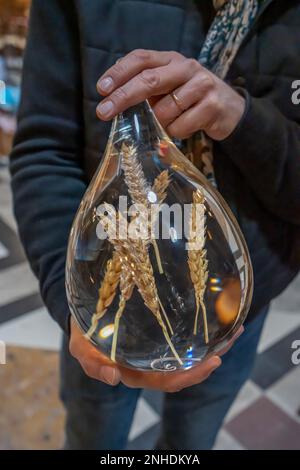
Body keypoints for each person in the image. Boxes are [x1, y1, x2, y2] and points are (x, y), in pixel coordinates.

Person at [10, 0, 300, 450]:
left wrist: (242, 120)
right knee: (95, 434)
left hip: (236, 301)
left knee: (192, 440)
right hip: (107, 309)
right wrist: (72, 301)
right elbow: (45, 147)